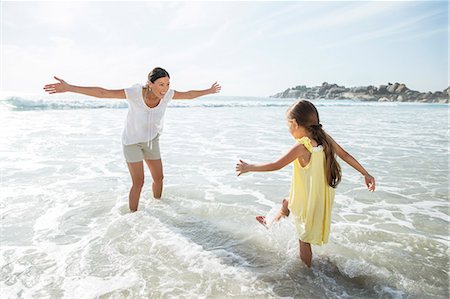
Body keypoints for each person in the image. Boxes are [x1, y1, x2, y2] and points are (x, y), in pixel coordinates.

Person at [44, 67, 221, 212]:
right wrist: (70, 87)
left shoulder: (167, 95)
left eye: (167, 84)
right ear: (150, 84)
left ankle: (159, 206)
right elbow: (103, 93)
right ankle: (133, 218)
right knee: (139, 182)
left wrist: (209, 91)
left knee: (159, 178)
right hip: (132, 142)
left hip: (152, 140)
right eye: (160, 84)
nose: (165, 88)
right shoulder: (135, 93)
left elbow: (189, 95)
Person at [235, 100, 375, 267]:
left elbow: (276, 165)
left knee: (304, 239)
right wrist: (365, 173)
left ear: (294, 123)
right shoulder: (324, 139)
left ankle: (307, 272)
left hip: (309, 199)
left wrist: (248, 167)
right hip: (319, 195)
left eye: (288, 125)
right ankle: (269, 223)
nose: (288, 129)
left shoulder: (303, 146)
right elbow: (345, 155)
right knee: (286, 203)